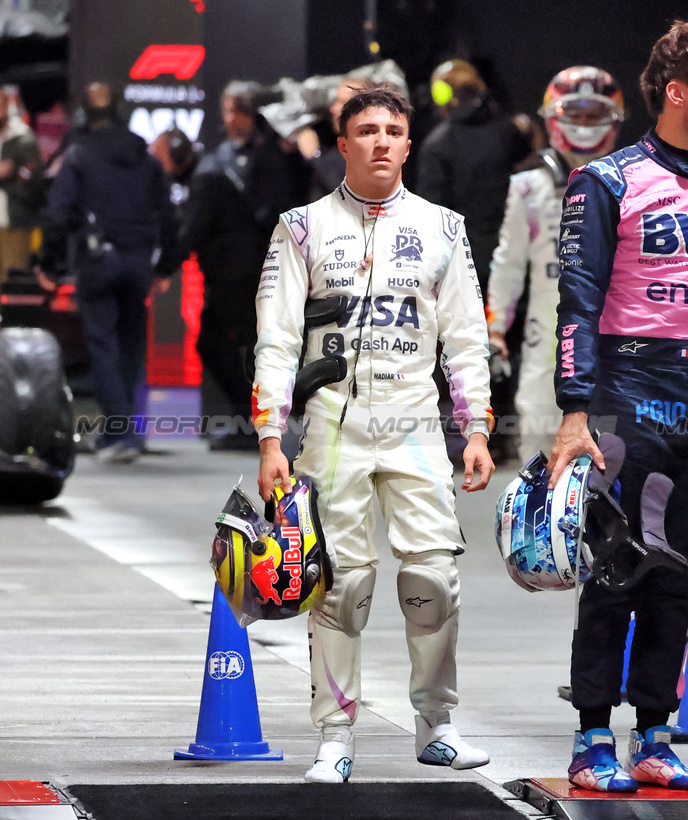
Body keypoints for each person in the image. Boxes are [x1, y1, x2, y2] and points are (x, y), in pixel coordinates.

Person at [548, 20, 688, 792]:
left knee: (680, 572)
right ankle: (588, 737)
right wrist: (574, 410)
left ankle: (653, 734)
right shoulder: (606, 182)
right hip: (625, 390)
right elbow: (575, 301)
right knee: (615, 566)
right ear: (678, 92)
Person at [253, 82, 496, 783]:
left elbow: (467, 340)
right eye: (366, 131)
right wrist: (272, 437)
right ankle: (335, 735)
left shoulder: (445, 227)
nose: (381, 141)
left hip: (416, 425)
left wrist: (475, 426)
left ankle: (436, 726)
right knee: (340, 585)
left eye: (393, 130)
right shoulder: (299, 227)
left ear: (409, 144)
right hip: (332, 426)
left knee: (433, 579)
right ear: (343, 144)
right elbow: (276, 338)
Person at [487, 66, 625, 461]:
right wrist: (495, 328)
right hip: (546, 337)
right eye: (575, 115)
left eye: (593, 116)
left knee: (616, 454)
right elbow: (509, 263)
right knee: (539, 450)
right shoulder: (527, 186)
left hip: (616, 336)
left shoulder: (636, 181)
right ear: (553, 117)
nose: (583, 125)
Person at [35, 82, 178, 463]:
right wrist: (165, 265)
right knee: (131, 347)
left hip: (98, 262)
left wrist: (47, 263)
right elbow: (167, 213)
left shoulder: (79, 156)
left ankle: (122, 434)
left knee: (102, 347)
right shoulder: (145, 158)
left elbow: (58, 213)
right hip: (138, 262)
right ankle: (123, 430)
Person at [185, 81, 311, 450]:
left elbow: (276, 209)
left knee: (262, 349)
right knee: (235, 345)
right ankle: (253, 423)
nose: (225, 120)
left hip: (264, 266)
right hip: (246, 268)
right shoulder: (232, 155)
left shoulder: (276, 154)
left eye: (230, 111)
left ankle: (261, 426)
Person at [415, 59, 530, 295]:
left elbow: (430, 219)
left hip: (463, 272)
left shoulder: (438, 145)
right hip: (514, 262)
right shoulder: (510, 132)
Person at [0, 86, 43, 278]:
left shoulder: (23, 138)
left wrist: (12, 173)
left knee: (11, 289)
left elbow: (34, 183)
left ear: (5, 107)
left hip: (13, 226)